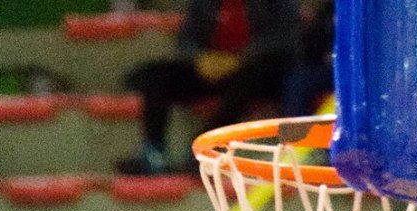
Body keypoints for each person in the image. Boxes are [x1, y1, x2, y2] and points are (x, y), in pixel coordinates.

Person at [117, 0, 301, 176]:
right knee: (158, 76)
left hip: (255, 72)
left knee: (251, 78)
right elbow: (186, 39)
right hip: (211, 67)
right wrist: (200, 59)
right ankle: (153, 151)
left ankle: (203, 150)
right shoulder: (205, 2)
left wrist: (239, 60)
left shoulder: (278, 3)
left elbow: (284, 39)